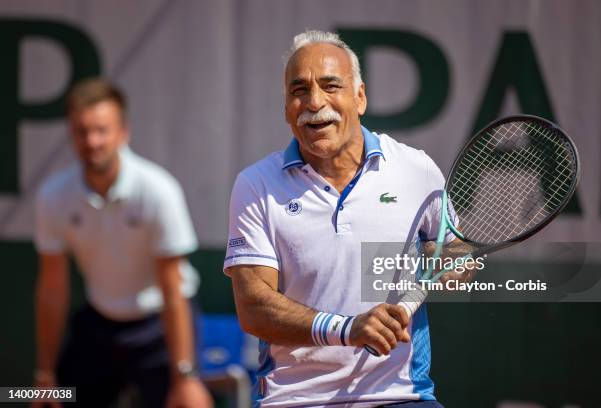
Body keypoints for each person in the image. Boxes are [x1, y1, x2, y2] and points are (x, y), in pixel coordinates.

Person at [224, 30, 469, 407]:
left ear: (360, 97)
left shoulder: (415, 169)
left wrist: (455, 265)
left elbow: (455, 254)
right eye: (299, 90)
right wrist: (347, 329)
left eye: (330, 85)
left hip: (400, 396)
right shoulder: (255, 185)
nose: (314, 102)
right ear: (286, 107)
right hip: (292, 399)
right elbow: (254, 307)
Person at [33, 78, 212, 408]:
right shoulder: (53, 196)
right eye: (82, 132)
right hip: (98, 326)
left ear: (123, 132)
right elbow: (52, 289)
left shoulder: (158, 190)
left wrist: (185, 376)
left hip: (159, 327)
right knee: (44, 399)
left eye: (102, 130)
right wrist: (45, 374)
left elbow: (173, 290)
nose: (92, 141)